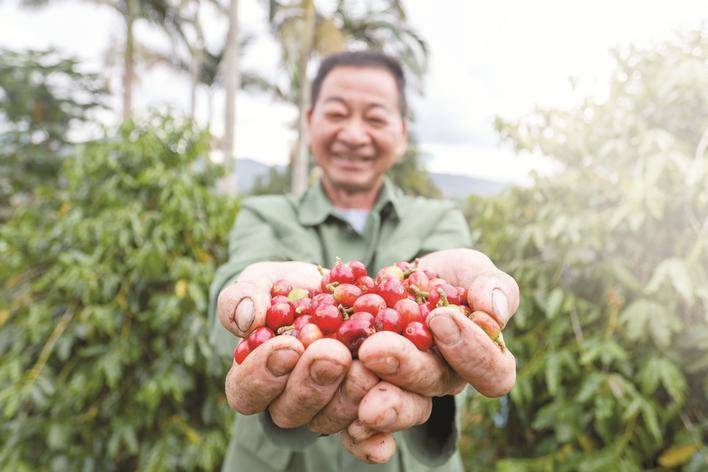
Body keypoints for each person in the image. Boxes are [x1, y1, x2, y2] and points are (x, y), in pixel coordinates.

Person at [208, 50, 519, 471]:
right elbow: (232, 303)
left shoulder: (440, 218)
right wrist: (248, 310)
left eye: (375, 118)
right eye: (337, 114)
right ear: (310, 121)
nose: (354, 135)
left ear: (403, 133)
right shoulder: (262, 214)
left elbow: (448, 316)